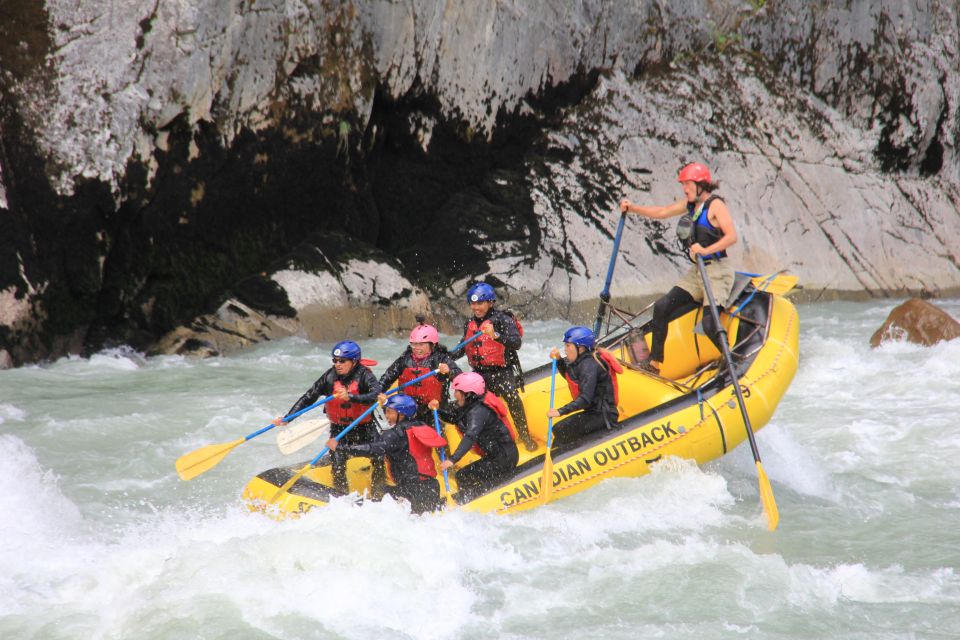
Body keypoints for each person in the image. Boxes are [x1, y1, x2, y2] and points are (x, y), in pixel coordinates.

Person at [619, 162, 738, 374]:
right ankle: (655, 363)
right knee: (662, 306)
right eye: (683, 185)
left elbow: (731, 237)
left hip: (717, 271)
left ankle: (731, 359)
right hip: (697, 272)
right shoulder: (692, 205)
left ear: (700, 185)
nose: (684, 189)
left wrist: (706, 250)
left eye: (688, 184)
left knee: (710, 323)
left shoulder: (716, 205)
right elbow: (663, 211)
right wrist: (633, 208)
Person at [274, 340, 383, 494]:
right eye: (335, 360)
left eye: (342, 361)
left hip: (364, 426)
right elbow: (309, 397)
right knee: (338, 463)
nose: (337, 364)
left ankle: (378, 493)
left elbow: (375, 395)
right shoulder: (329, 377)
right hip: (339, 428)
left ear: (354, 362)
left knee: (379, 456)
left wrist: (351, 397)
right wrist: (288, 417)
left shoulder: (365, 375)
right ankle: (341, 497)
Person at [450, 282, 537, 451]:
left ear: (490, 303)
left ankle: (525, 436)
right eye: (473, 304)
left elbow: (516, 342)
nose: (476, 307)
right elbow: (464, 346)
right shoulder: (470, 323)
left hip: (501, 372)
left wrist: (495, 335)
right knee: (469, 405)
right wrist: (446, 357)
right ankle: (485, 445)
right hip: (479, 374)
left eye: (480, 303)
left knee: (512, 398)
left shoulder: (503, 319)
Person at [326, 394, 447, 514]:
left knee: (379, 496)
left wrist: (340, 448)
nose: (386, 415)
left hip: (410, 491)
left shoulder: (395, 434)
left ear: (402, 414)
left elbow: (371, 449)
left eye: (390, 412)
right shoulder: (421, 425)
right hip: (431, 488)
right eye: (386, 411)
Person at [438, 372, 519, 502]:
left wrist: (452, 460)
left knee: (463, 476)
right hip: (496, 456)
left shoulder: (479, 411)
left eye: (457, 391)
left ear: (468, 393)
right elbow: (453, 418)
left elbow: (470, 435)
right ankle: (478, 498)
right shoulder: (471, 405)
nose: (454, 395)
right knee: (465, 475)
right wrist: (437, 410)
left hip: (504, 459)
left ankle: (472, 503)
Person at [547, 326, 621, 447]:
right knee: (559, 429)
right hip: (594, 412)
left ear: (580, 348)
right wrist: (559, 360)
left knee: (561, 429)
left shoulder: (589, 365)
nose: (565, 350)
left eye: (568, 346)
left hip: (604, 415)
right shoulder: (582, 361)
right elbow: (570, 376)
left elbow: (585, 399)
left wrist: (560, 411)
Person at [378, 322, 462, 423]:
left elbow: (461, 378)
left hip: (432, 409)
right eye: (414, 344)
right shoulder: (404, 359)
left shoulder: (441, 358)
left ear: (432, 344)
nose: (416, 348)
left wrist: (449, 371)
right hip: (407, 410)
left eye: (421, 344)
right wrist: (378, 392)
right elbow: (387, 377)